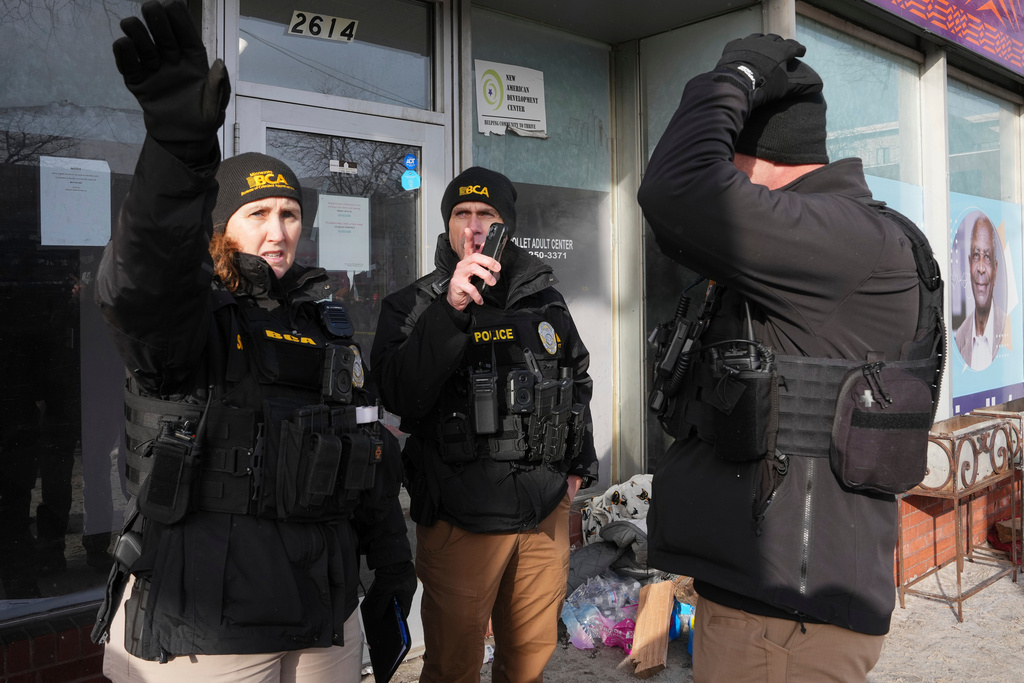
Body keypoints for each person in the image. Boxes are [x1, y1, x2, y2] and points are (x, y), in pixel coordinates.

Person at [91, 2, 416, 681]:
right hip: (207, 626)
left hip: (325, 614)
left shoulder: (326, 324)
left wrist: (392, 566)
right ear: (221, 226)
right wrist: (179, 154)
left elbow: (367, 459)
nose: (278, 229)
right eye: (258, 211)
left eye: (290, 213)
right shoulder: (190, 318)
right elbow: (139, 280)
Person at [637, 34, 939, 681]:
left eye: (726, 155)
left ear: (752, 158)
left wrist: (735, 75)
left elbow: (675, 189)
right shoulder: (839, 239)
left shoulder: (840, 238)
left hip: (781, 629)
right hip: (778, 612)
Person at [370, 166, 599, 683]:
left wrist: (577, 469)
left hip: (542, 515)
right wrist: (451, 309)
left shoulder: (543, 297)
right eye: (461, 214)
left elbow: (576, 379)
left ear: (506, 225)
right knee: (453, 666)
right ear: (448, 224)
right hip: (460, 520)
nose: (473, 227)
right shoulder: (411, 305)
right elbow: (400, 394)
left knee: (529, 662)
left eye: (486, 215)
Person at [955, 214, 1005, 369]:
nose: (981, 268)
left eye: (987, 257)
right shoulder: (960, 336)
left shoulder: (1008, 327)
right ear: (969, 264)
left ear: (995, 270)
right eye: (976, 256)